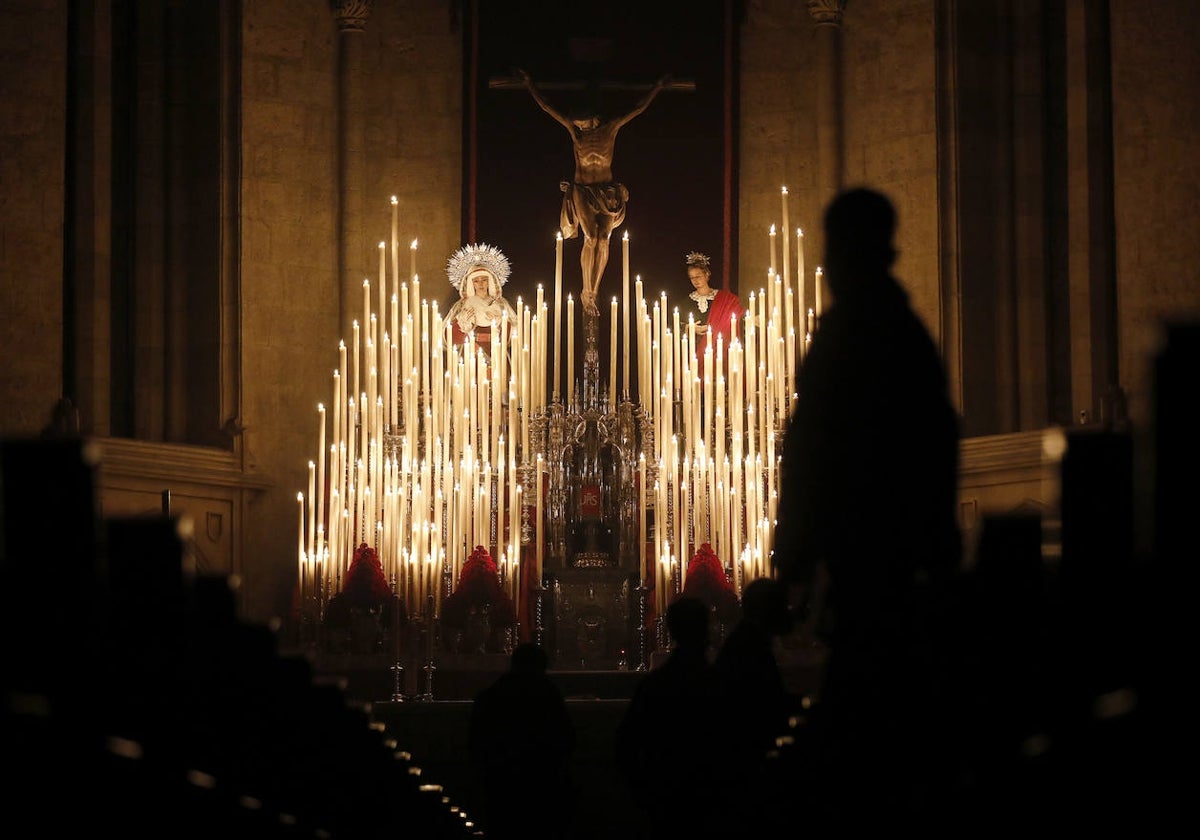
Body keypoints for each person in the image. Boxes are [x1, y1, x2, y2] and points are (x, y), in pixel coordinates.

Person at [771, 187, 965, 829]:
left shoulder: (862, 334)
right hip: (891, 552)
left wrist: (794, 549)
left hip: (871, 554)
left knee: (861, 712)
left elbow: (816, 449)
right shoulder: (895, 331)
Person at [517, 68, 671, 316]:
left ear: (592, 118)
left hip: (607, 193)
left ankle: (594, 289)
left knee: (604, 238)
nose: (578, 124)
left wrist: (658, 87)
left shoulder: (610, 130)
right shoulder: (576, 134)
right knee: (590, 238)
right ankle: (585, 289)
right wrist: (529, 85)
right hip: (582, 190)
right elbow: (548, 108)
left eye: (581, 120)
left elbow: (638, 108)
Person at [614, 596, 732, 839]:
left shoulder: (656, 684)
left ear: (672, 631)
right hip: (708, 795)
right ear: (706, 629)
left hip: (665, 792)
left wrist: (643, 789)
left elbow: (626, 743)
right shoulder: (719, 684)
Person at [467, 642, 576, 840]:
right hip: (542, 783)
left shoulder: (491, 696)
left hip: (501, 784)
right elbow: (565, 736)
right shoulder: (547, 695)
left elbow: (476, 742)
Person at [443, 243, 518, 357]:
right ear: (471, 283)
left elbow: (513, 332)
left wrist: (500, 322)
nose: (481, 284)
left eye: (484, 280)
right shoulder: (462, 305)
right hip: (471, 352)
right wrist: (464, 323)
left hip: (495, 352)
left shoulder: (501, 304)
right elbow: (449, 335)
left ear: (490, 282)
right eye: (476, 281)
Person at [684, 251, 745, 364]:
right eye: (692, 278)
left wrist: (749, 319)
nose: (695, 281)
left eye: (698, 276)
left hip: (721, 353)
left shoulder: (724, 299)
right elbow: (677, 324)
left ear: (707, 275)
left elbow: (738, 315)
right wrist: (688, 328)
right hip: (695, 355)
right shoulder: (687, 302)